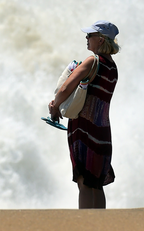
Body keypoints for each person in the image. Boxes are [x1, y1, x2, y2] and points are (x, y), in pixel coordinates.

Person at [48, 20, 120, 209]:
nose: (86, 38)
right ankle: (100, 225)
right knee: (96, 183)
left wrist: (55, 107)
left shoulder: (92, 61)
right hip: (102, 130)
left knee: (84, 182)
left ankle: (85, 225)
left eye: (90, 35)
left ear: (102, 40)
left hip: (84, 127)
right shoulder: (113, 68)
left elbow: (65, 87)